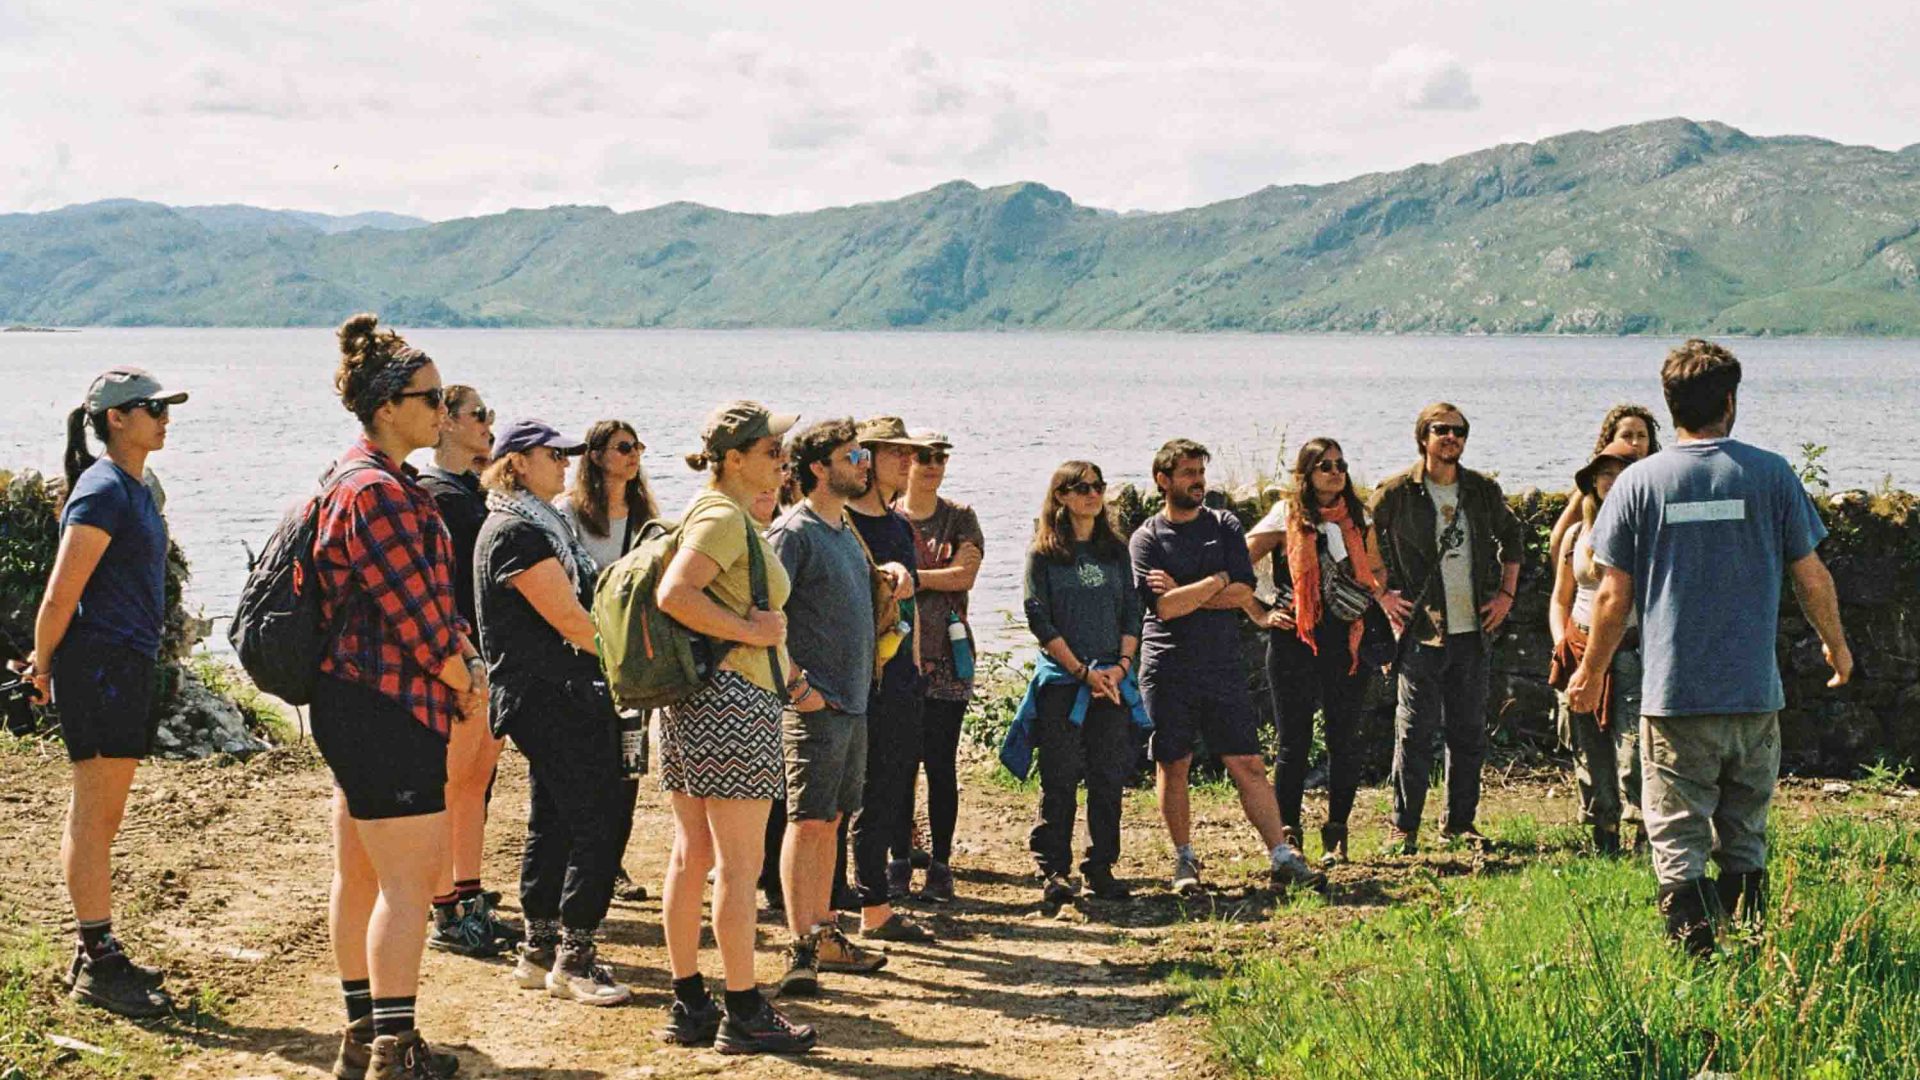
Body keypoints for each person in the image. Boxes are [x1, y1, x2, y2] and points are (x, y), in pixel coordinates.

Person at [1570, 339, 1850, 956]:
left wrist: (1590, 671)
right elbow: (1811, 576)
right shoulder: (1771, 474)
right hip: (1752, 694)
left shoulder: (1639, 483)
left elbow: (1612, 596)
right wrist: (1836, 646)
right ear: (1729, 401)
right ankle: (1751, 951)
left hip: (1674, 696)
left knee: (1677, 838)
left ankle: (1697, 964)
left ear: (1670, 406)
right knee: (1745, 834)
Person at [311, 314, 477, 1080]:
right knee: (407, 887)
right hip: (388, 709)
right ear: (387, 406)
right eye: (430, 397)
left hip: (354, 704)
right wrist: (467, 681)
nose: (444, 408)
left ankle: (362, 1035)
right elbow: (421, 622)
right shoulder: (377, 492)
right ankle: (393, 1049)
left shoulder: (357, 478)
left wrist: (459, 658)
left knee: (362, 874)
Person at [9, 368, 187, 1019]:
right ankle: (96, 958)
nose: (164, 418)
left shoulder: (133, 487)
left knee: (102, 817)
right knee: (93, 815)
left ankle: (96, 948)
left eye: (165, 407)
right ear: (115, 417)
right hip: (100, 667)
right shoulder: (104, 488)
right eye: (151, 408)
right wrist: (42, 666)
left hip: (123, 665)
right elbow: (61, 593)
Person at [653, 401, 815, 1055]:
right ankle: (744, 1009)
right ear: (734, 459)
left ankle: (689, 1001)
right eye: (771, 451)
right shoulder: (723, 517)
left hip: (694, 700)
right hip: (734, 701)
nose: (783, 461)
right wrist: (753, 631)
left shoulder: (707, 510)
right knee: (738, 866)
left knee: (691, 854)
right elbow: (674, 594)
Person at [475, 419, 632, 1008]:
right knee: (598, 818)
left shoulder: (537, 523)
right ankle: (574, 958)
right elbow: (568, 618)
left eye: (567, 455)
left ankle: (540, 948)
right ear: (517, 463)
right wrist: (628, 662)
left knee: (556, 817)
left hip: (550, 693)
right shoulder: (517, 531)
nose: (566, 464)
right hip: (551, 694)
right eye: (553, 455)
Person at [1129, 439, 1325, 895]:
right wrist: (1216, 581)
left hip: (1221, 663)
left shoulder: (1224, 524)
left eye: (1201, 472)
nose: (1198, 481)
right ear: (1163, 480)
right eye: (1188, 473)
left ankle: (1281, 855)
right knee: (1174, 762)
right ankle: (1184, 859)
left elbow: (1243, 592)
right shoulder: (1147, 538)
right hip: (1167, 664)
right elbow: (1164, 608)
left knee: (1247, 762)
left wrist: (1191, 589)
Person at [767, 420, 896, 998]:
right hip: (814, 705)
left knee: (834, 819)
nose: (864, 465)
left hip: (852, 701)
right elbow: (765, 617)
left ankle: (823, 932)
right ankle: (801, 946)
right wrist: (797, 687)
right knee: (808, 820)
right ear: (818, 467)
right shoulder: (794, 533)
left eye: (864, 455)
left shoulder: (845, 529)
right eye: (852, 456)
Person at [1369, 404, 1526, 855]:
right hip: (1423, 631)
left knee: (1468, 732)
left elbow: (1512, 538)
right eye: (1442, 430)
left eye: (1459, 431)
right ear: (1424, 436)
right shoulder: (1397, 492)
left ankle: (1459, 823)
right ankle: (1404, 827)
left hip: (1472, 631)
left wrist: (1506, 595)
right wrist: (1382, 594)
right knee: (1414, 732)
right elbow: (1359, 536)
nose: (1451, 437)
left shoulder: (1481, 490)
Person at [1244, 438, 1387, 866]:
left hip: (1347, 639)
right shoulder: (1285, 515)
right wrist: (1260, 612)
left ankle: (1337, 833)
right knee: (1294, 743)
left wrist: (1365, 594)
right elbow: (1238, 562)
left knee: (1344, 740)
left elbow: (1377, 569)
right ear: (1306, 473)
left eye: (1341, 465)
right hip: (1295, 638)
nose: (1335, 472)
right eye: (1325, 465)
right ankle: (1289, 833)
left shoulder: (1359, 517)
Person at [416, 384, 516, 958]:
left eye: (489, 414)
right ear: (447, 422)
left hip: (490, 657)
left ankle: (469, 895)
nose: (487, 423)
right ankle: (444, 908)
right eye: (478, 414)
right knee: (451, 784)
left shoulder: (475, 494)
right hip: (459, 660)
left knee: (475, 782)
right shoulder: (434, 495)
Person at [1020, 461, 1143, 903]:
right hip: (1063, 681)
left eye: (1098, 487)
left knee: (1108, 777)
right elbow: (1038, 617)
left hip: (1111, 680)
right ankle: (1053, 870)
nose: (1093, 495)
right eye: (1082, 487)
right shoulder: (1044, 554)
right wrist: (1080, 671)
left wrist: (1122, 666)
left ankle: (1101, 866)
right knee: (1060, 776)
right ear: (1062, 496)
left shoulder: (1115, 551)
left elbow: (1132, 611)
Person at [555, 419, 659, 905]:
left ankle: (612, 863)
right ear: (595, 456)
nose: (634, 454)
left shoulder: (644, 517)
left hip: (632, 658)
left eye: (638, 446)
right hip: (586, 654)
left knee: (628, 765)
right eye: (623, 447)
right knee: (586, 765)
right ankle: (579, 862)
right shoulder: (570, 512)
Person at [844, 417, 938, 939]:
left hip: (899, 675)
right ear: (865, 458)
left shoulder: (898, 525)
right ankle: (851, 899)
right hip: (855, 677)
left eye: (911, 454)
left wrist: (917, 666)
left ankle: (872, 902)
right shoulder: (843, 523)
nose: (908, 462)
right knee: (846, 796)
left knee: (888, 788)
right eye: (896, 453)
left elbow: (911, 605)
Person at [895, 431, 982, 903]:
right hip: (898, 656)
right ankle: (899, 858)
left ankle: (941, 864)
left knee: (941, 764)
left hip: (949, 657)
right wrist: (934, 577)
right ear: (905, 461)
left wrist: (911, 579)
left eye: (940, 458)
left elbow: (965, 575)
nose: (932, 465)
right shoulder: (890, 517)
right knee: (899, 764)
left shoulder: (959, 516)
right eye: (924, 457)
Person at [1549, 438, 1647, 856]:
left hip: (1631, 651)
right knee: (1587, 747)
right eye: (1604, 473)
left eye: (1620, 473)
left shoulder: (1647, 529)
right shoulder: (1576, 534)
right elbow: (1560, 597)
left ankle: (1645, 835)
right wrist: (1562, 643)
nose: (1611, 481)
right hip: (1579, 647)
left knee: (1636, 747)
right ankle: (1603, 834)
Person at [1547, 405, 1662, 570]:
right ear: (1610, 440)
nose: (1635, 442)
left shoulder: (1660, 484)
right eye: (1627, 435)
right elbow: (1557, 540)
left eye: (1642, 435)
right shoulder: (1592, 491)